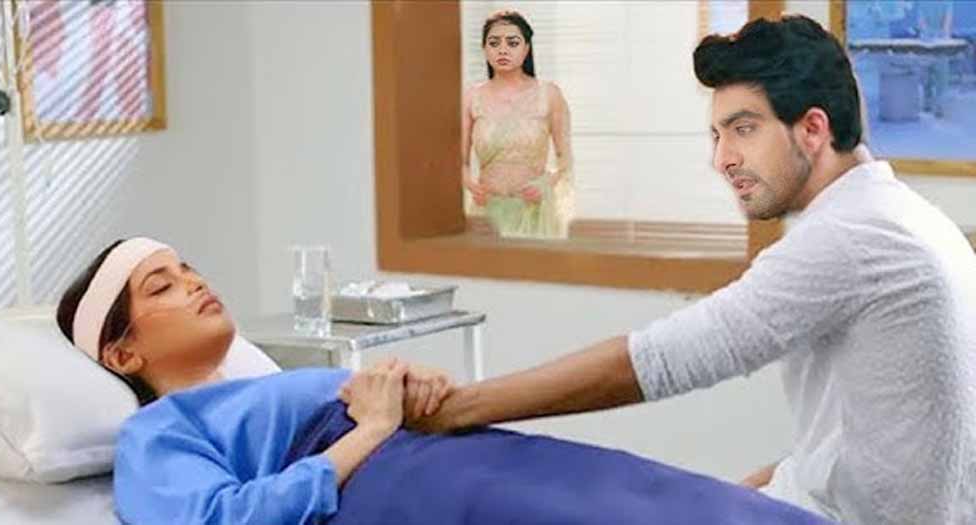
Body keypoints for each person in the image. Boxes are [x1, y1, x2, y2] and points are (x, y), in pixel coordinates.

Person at [400, 15, 976, 525]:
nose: (722, 159)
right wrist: (737, 495)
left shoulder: (850, 237)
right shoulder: (908, 217)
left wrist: (457, 409)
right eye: (717, 135)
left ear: (813, 129)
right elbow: (864, 443)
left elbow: (662, 360)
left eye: (744, 129)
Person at [56, 238, 831, 524]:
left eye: (187, 267)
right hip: (386, 484)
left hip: (433, 448)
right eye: (161, 286)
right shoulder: (154, 434)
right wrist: (369, 428)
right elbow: (228, 520)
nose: (193, 282)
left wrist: (403, 389)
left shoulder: (260, 382)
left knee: (639, 489)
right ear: (122, 354)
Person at [462, 10, 574, 239]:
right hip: (486, 212)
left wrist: (547, 184)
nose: (502, 50)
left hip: (534, 212)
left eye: (512, 43)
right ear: (484, 49)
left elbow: (565, 158)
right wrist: (471, 186)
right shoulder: (471, 97)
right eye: (494, 43)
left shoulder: (549, 94)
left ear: (526, 48)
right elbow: (457, 161)